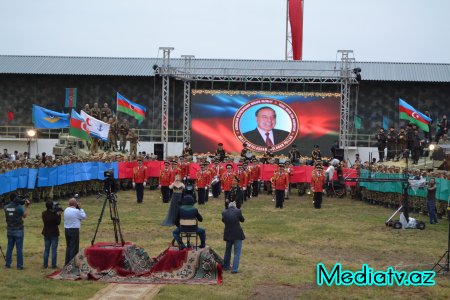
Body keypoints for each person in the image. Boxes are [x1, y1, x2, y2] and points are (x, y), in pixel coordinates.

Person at [4, 193, 29, 269]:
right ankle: (19, 266)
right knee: (19, 249)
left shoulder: (5, 207)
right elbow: (24, 216)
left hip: (9, 229)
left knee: (9, 248)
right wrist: (27, 207)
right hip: (18, 230)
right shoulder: (19, 207)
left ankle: (8, 264)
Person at [222, 201, 245, 274]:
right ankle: (234, 269)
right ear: (235, 206)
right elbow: (242, 220)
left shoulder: (224, 213)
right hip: (237, 234)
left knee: (227, 251)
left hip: (228, 234)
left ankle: (225, 266)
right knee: (237, 252)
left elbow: (223, 220)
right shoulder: (238, 211)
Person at [64, 198, 86, 265]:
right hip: (74, 230)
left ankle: (67, 262)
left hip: (67, 229)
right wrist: (81, 209)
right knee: (74, 248)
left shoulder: (66, 210)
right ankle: (72, 264)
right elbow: (84, 216)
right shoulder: (76, 211)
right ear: (75, 204)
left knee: (69, 247)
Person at [42, 201, 61, 269]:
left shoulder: (44, 213)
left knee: (46, 250)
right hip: (54, 233)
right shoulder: (55, 214)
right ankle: (53, 265)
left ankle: (45, 264)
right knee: (54, 250)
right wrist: (59, 214)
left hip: (46, 233)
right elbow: (58, 223)